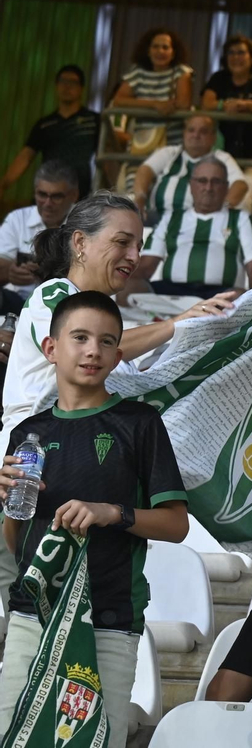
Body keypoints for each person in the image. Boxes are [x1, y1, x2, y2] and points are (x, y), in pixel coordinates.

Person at [0, 291, 190, 748]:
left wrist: (114, 514)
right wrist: (6, 503)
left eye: (106, 342)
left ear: (118, 355)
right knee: (11, 734)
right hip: (34, 609)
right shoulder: (29, 434)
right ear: (51, 348)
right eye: (80, 338)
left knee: (89, 739)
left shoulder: (140, 423)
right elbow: (16, 542)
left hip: (107, 613)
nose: (93, 351)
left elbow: (176, 525)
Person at [1, 193, 233, 450]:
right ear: (80, 242)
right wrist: (177, 323)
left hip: (82, 452)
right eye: (122, 242)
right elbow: (96, 347)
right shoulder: (53, 293)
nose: (134, 257)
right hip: (27, 459)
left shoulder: (108, 314)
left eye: (139, 247)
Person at [127, 156, 252, 296]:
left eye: (216, 182)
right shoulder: (171, 218)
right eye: (202, 181)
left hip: (220, 297)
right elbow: (146, 267)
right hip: (172, 293)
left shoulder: (240, 219)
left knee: (237, 296)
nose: (208, 188)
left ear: (226, 187)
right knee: (129, 289)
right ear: (191, 185)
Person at [4, 65, 100, 196]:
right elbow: (26, 156)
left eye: (73, 82)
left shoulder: (94, 120)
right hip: (47, 194)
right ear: (56, 86)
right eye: (63, 82)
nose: (67, 87)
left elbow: (106, 156)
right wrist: (4, 185)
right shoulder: (44, 125)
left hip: (79, 196)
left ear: (81, 88)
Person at [132, 114, 247, 220]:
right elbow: (144, 171)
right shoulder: (170, 153)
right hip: (158, 217)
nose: (196, 135)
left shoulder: (222, 158)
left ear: (213, 137)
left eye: (203, 131)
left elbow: (240, 185)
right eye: (191, 130)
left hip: (200, 221)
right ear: (184, 133)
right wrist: (140, 197)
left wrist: (222, 209)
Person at [0, 162, 80, 306]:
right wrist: (10, 272)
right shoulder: (17, 218)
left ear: (74, 195)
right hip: (17, 299)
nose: (47, 203)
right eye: (42, 194)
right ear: (34, 192)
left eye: (56, 196)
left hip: (65, 304)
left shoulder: (86, 222)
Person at [200, 33, 252, 170]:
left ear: (251, 58)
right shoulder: (218, 78)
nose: (236, 57)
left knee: (245, 190)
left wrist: (245, 105)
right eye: (231, 53)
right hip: (221, 151)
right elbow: (206, 104)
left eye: (241, 53)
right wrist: (225, 105)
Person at [109, 27, 193, 151]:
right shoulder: (137, 72)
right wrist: (155, 104)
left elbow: (183, 104)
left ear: (173, 53)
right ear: (148, 51)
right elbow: (118, 101)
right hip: (142, 142)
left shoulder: (182, 72)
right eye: (155, 47)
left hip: (173, 143)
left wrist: (140, 104)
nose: (160, 51)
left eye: (165, 47)